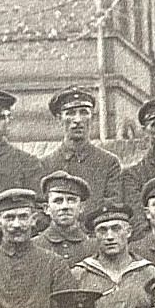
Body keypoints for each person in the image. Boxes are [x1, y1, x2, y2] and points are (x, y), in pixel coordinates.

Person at [73, 203, 155, 308]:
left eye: (116, 228)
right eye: (102, 230)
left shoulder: (149, 273)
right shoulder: (80, 274)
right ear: (94, 236)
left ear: (128, 232)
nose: (110, 236)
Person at [40, 86, 123, 215]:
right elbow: (41, 211)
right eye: (70, 113)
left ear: (92, 117)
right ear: (59, 119)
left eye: (84, 112)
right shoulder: (45, 165)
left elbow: (112, 207)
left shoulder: (109, 163)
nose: (78, 120)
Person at [32, 171, 96, 266]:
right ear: (47, 208)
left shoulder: (94, 246)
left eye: (71, 200)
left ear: (81, 207)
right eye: (58, 201)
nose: (65, 206)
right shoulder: (33, 246)